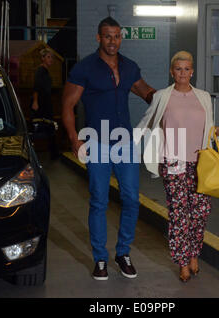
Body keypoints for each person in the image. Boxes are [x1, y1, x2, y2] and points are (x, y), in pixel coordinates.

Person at [61, 17, 156, 280]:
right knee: (99, 202)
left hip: (125, 143)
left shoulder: (129, 67)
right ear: (98, 38)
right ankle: (100, 259)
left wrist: (176, 98)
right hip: (98, 143)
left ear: (120, 38)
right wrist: (74, 138)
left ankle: (123, 252)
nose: (112, 41)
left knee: (131, 200)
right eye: (107, 36)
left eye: (116, 36)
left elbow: (148, 93)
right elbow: (67, 105)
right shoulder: (85, 68)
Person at [136, 51, 219, 282]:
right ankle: (182, 263)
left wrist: (218, 132)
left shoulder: (204, 97)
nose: (183, 73)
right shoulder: (161, 96)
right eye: (178, 69)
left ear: (192, 71)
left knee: (200, 213)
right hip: (174, 162)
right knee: (179, 214)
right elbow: (146, 121)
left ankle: (194, 253)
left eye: (187, 69)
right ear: (172, 72)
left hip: (202, 162)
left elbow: (208, 129)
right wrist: (131, 143)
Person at [31, 48, 59, 160]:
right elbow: (36, 87)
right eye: (48, 57)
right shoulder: (40, 71)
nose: (51, 59)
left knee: (50, 127)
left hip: (46, 102)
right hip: (41, 103)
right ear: (42, 58)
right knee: (40, 127)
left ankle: (54, 153)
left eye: (51, 57)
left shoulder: (46, 71)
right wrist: (35, 101)